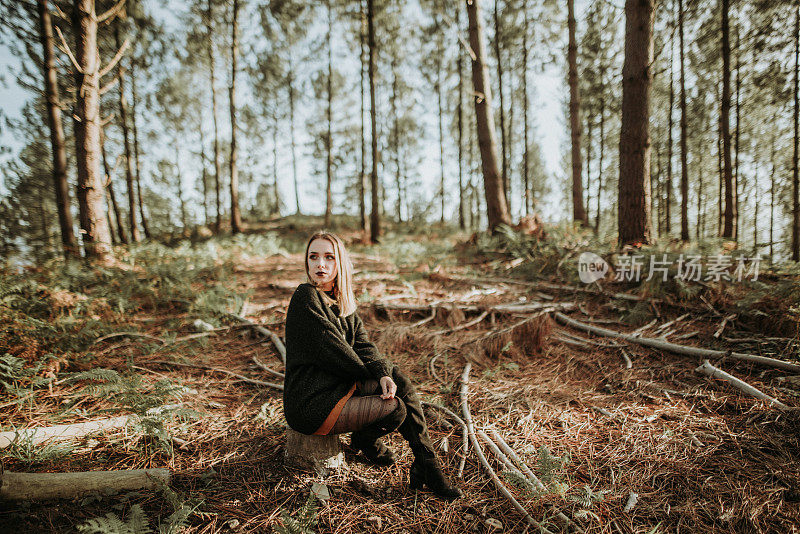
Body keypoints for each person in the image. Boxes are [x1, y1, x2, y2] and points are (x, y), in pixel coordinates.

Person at [283, 230, 462, 501]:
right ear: (306, 262)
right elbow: (337, 353)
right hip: (311, 402)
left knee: (397, 379)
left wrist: (383, 374)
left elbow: (364, 346)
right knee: (395, 408)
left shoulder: (343, 305)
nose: (320, 264)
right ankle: (366, 442)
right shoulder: (305, 297)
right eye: (314, 257)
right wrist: (378, 376)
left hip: (336, 387)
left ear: (339, 262)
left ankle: (427, 463)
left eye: (329, 257)